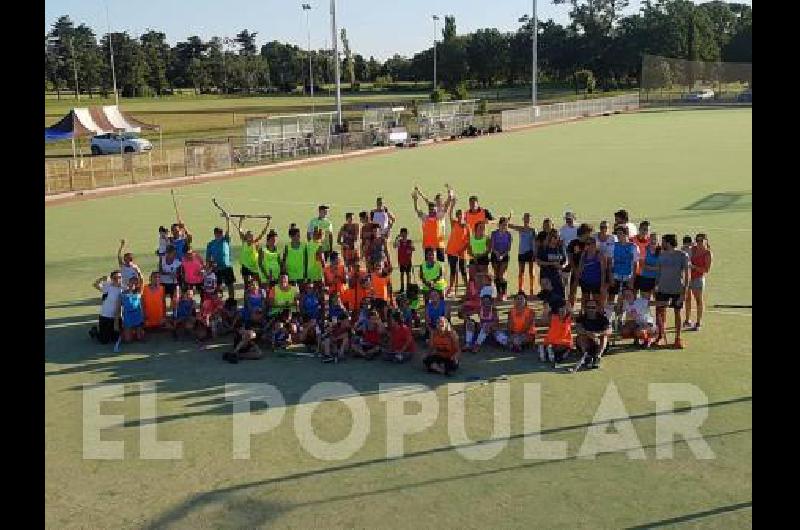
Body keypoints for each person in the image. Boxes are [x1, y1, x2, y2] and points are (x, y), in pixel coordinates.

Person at [654, 234, 690, 349]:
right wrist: (656, 286)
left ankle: (678, 338)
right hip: (662, 289)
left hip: (676, 289)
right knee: (660, 313)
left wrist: (683, 293)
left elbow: (687, 275)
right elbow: (658, 272)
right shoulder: (661, 255)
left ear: (668, 243)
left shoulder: (682, 255)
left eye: (663, 242)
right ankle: (660, 336)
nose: (661, 244)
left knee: (677, 313)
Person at [685, 233, 713, 331]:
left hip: (698, 279)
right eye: (698, 240)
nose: (699, 242)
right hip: (688, 278)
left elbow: (706, 270)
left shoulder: (708, 253)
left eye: (701, 240)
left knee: (698, 300)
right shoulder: (693, 249)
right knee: (687, 299)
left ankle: (698, 322)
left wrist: (694, 267)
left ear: (706, 241)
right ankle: (687, 320)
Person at [574, 299, 612, 370]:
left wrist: (597, 334)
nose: (590, 309)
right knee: (581, 336)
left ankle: (597, 357)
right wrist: (588, 333)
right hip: (585, 343)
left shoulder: (602, 318)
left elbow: (609, 330)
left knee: (604, 337)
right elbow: (578, 329)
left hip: (599, 344)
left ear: (597, 308)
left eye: (593, 307)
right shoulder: (581, 318)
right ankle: (587, 357)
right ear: (585, 308)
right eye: (589, 307)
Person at [609, 225, 640, 312]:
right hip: (615, 276)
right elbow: (610, 263)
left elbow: (635, 264)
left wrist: (632, 279)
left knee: (627, 299)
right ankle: (610, 318)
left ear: (626, 234)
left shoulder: (633, 247)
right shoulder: (613, 246)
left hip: (627, 277)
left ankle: (625, 318)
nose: (618, 236)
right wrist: (611, 276)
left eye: (620, 233)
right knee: (611, 297)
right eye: (617, 234)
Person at [234, 217, 271, 288]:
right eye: (248, 235)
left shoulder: (254, 243)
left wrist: (267, 223)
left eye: (251, 235)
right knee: (246, 285)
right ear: (246, 236)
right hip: (245, 266)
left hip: (254, 267)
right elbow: (240, 231)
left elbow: (262, 234)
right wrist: (240, 221)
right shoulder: (244, 242)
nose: (250, 236)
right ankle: (247, 297)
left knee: (258, 283)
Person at [444, 199, 470, 298]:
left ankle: (468, 289)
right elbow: (450, 214)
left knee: (463, 271)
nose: (460, 217)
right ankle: (450, 288)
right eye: (458, 215)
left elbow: (468, 241)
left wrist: (462, 250)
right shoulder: (454, 223)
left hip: (462, 253)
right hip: (451, 252)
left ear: (464, 216)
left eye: (461, 215)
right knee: (453, 271)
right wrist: (452, 205)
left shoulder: (467, 227)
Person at [205, 216, 235, 300]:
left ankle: (231, 300)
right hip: (216, 268)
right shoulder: (210, 244)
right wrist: (208, 267)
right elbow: (207, 257)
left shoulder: (225, 240)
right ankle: (219, 302)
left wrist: (228, 219)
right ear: (214, 234)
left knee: (230, 285)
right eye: (218, 233)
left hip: (227, 267)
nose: (219, 234)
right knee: (218, 286)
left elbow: (228, 231)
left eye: (221, 233)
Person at [89, 270, 123, 344]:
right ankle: (94, 331)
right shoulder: (108, 287)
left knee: (115, 339)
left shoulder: (123, 288)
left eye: (119, 277)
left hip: (117, 318)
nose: (117, 279)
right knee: (104, 341)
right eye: (115, 278)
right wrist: (101, 279)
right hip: (105, 317)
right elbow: (95, 284)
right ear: (111, 278)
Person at [413, 190, 446, 263]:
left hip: (439, 245)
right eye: (431, 209)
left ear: (436, 209)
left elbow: (445, 209)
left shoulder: (439, 217)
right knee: (428, 264)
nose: (432, 211)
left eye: (434, 209)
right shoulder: (425, 218)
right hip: (428, 245)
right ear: (428, 210)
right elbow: (417, 210)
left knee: (440, 264)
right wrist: (415, 201)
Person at [566, 223, 595, 306]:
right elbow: (570, 258)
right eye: (589, 233)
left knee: (586, 293)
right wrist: (575, 269)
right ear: (584, 233)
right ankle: (570, 309)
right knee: (572, 291)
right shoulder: (573, 243)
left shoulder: (590, 244)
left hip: (587, 271)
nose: (590, 235)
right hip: (575, 269)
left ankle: (584, 310)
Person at [509, 212, 537, 296]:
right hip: (521, 252)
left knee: (531, 272)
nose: (526, 220)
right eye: (525, 218)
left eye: (528, 218)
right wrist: (510, 217)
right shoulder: (520, 229)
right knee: (521, 272)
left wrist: (535, 253)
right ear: (523, 219)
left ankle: (531, 290)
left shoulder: (533, 230)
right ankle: (520, 289)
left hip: (530, 252)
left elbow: (535, 242)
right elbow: (509, 225)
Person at [575, 237, 606, 308]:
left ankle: (598, 315)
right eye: (586, 244)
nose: (587, 245)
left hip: (596, 282)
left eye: (589, 244)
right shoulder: (584, 254)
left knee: (597, 300)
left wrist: (602, 285)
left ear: (594, 244)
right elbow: (580, 269)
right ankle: (584, 313)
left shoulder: (599, 255)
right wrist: (578, 280)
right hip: (585, 281)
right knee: (585, 299)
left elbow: (603, 272)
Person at [536, 229, 567, 298]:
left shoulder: (560, 248)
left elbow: (565, 261)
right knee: (549, 300)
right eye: (555, 237)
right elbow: (538, 262)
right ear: (550, 237)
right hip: (546, 277)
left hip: (558, 277)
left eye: (558, 237)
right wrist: (552, 263)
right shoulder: (543, 248)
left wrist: (562, 266)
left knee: (560, 299)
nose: (557, 239)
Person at [489, 217, 513, 300]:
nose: (505, 227)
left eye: (506, 225)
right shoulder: (494, 233)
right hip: (495, 255)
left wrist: (502, 255)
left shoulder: (509, 235)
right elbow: (492, 246)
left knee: (501, 275)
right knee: (496, 275)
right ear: (499, 225)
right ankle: (498, 293)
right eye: (503, 225)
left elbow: (509, 248)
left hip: (505, 256)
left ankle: (504, 293)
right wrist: (497, 253)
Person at [119, 270, 146, 343]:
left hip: (137, 315)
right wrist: (121, 317)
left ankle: (136, 331)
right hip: (128, 316)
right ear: (128, 283)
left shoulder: (139, 292)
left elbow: (142, 280)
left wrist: (138, 271)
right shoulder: (123, 293)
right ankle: (130, 331)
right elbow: (120, 307)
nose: (134, 284)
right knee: (128, 340)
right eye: (132, 282)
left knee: (140, 338)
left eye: (135, 282)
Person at [634, 232, 660, 299]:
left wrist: (650, 267)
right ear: (649, 239)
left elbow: (663, 265)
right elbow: (642, 265)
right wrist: (657, 268)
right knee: (644, 302)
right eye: (651, 239)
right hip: (646, 278)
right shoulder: (644, 249)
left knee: (659, 303)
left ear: (658, 240)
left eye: (655, 239)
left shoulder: (662, 251)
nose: (653, 241)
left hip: (658, 279)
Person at [159, 245, 182, 310]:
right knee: (162, 299)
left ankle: (174, 314)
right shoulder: (162, 260)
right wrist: (169, 274)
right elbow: (160, 271)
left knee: (174, 300)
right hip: (163, 283)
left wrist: (176, 275)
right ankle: (163, 313)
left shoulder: (177, 262)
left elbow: (179, 274)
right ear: (167, 253)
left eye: (174, 254)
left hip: (173, 283)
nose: (174, 255)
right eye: (172, 254)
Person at [393, 227, 415, 294]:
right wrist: (397, 238)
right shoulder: (399, 242)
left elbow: (413, 248)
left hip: (408, 260)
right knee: (402, 274)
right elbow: (394, 246)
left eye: (405, 234)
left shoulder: (410, 241)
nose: (403, 235)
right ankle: (402, 288)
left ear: (407, 234)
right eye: (402, 234)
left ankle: (408, 288)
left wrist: (411, 248)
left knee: (408, 274)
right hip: (401, 261)